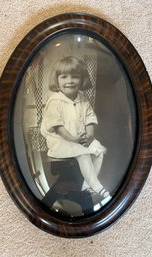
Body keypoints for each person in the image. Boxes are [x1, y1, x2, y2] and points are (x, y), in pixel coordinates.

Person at [41, 56, 111, 207]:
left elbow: (90, 119)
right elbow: (57, 126)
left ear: (82, 79)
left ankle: (87, 185)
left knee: (99, 151)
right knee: (83, 153)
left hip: (79, 140)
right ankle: (98, 187)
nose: (70, 81)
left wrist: (90, 135)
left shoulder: (83, 99)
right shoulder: (55, 101)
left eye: (75, 77)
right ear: (57, 79)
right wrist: (73, 139)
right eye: (64, 76)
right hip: (61, 142)